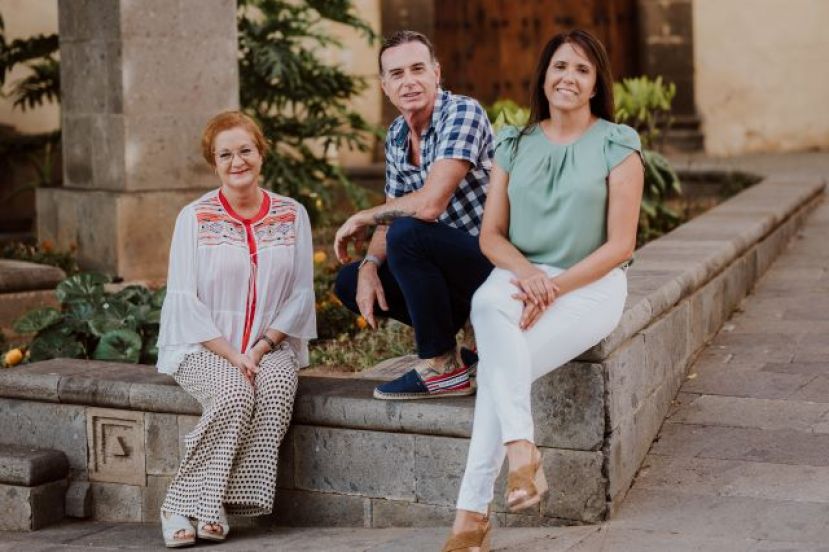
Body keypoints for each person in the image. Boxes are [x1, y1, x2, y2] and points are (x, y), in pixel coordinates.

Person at [442, 30, 644, 551]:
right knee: (487, 301)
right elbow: (491, 236)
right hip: (520, 270)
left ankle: (470, 515)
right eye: (559, 66)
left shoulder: (618, 145)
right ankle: (521, 450)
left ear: (597, 82)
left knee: (497, 368)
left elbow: (620, 245)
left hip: (592, 282)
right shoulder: (513, 143)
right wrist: (529, 277)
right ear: (544, 76)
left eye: (581, 69)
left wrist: (550, 288)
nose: (568, 78)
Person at [155, 111, 316, 548]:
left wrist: (261, 348)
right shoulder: (194, 217)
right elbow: (184, 302)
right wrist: (233, 355)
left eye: (245, 150)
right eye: (224, 154)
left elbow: (300, 295)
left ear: (261, 154)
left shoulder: (291, 214)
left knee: (278, 386)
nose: (236, 161)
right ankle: (178, 503)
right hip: (203, 345)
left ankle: (218, 501)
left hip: (269, 345)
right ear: (214, 162)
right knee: (233, 393)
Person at [333, 30, 494, 400]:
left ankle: (441, 366)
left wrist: (363, 215)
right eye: (397, 74)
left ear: (436, 73)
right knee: (349, 280)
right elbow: (391, 213)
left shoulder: (462, 112)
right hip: (450, 269)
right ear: (384, 86)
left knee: (410, 232)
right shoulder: (396, 136)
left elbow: (430, 204)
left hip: (494, 261)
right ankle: (460, 352)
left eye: (417, 69)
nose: (408, 81)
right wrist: (370, 265)